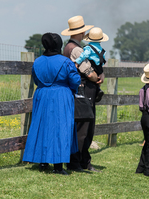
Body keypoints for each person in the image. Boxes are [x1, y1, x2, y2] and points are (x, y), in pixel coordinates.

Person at [23, 33, 81, 175]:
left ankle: (42, 162)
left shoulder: (37, 62)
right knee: (61, 128)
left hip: (42, 95)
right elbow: (75, 81)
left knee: (42, 126)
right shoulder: (65, 62)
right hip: (61, 95)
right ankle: (58, 166)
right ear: (58, 44)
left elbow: (36, 80)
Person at [62, 15, 105, 172]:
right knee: (84, 127)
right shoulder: (77, 49)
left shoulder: (68, 47)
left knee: (81, 125)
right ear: (81, 32)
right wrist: (97, 77)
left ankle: (81, 161)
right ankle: (78, 162)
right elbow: (88, 72)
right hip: (84, 88)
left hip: (78, 89)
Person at [75, 27, 109, 102]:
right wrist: (101, 70)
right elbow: (103, 58)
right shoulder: (101, 48)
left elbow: (84, 55)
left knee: (91, 77)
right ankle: (98, 89)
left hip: (92, 65)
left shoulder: (88, 47)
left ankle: (97, 90)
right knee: (98, 79)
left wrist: (77, 62)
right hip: (99, 66)